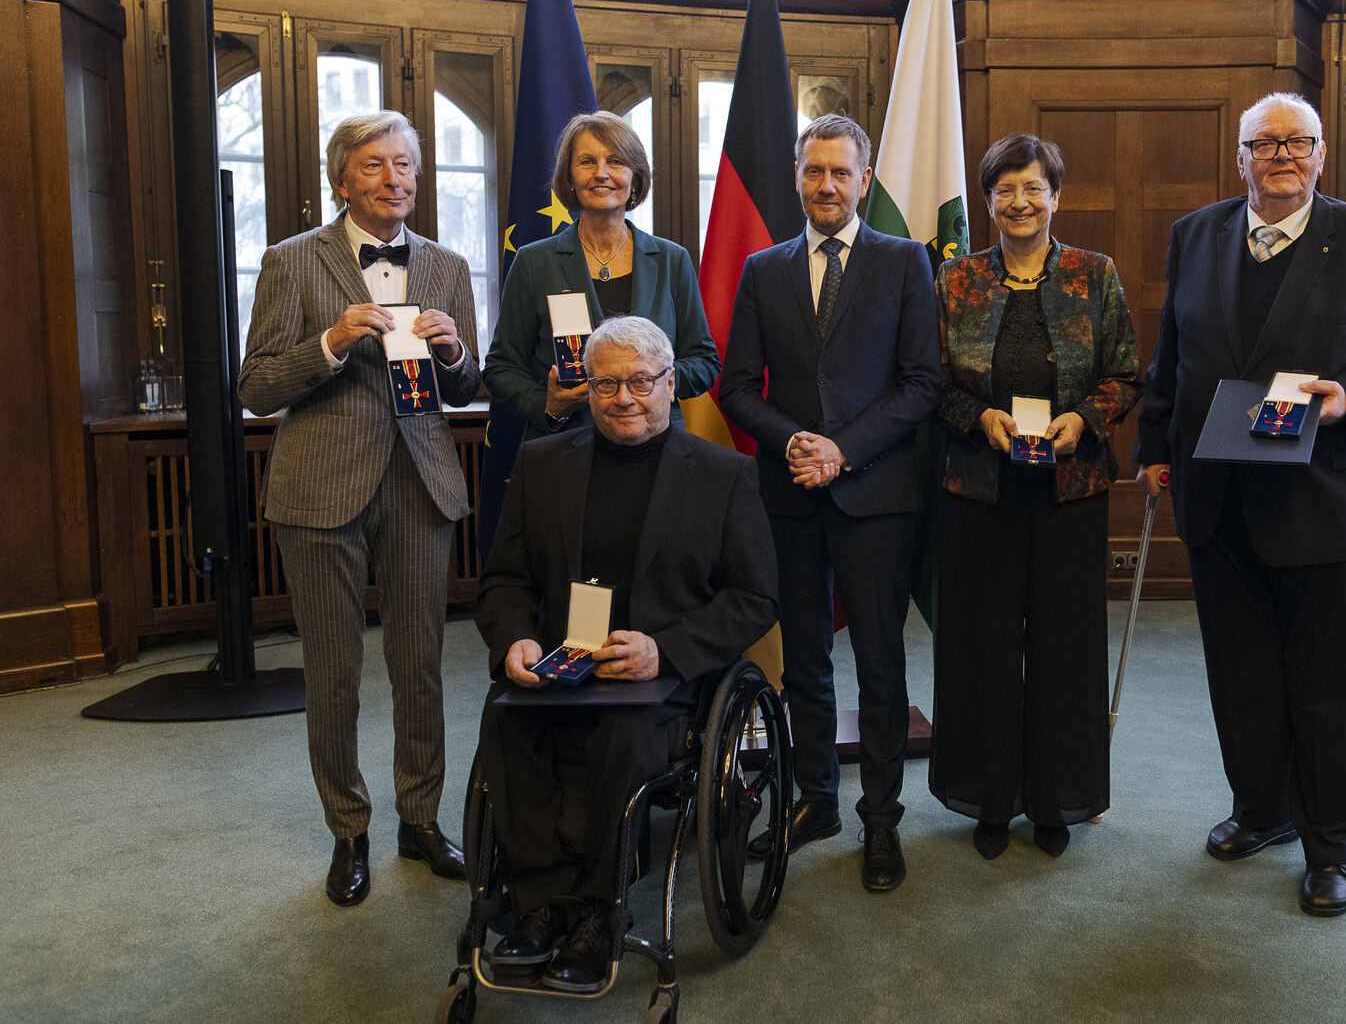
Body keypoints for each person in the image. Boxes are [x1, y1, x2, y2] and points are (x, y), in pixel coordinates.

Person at [1135, 92, 1346, 916]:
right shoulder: (1196, 235)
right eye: (1263, 143)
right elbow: (1174, 351)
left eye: (1296, 142)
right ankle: (1262, 808)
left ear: (1320, 155)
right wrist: (1156, 449)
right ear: (1240, 158)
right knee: (1242, 675)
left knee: (1328, 686)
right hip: (1220, 498)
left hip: (1328, 502)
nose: (1281, 155)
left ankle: (1331, 844)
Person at [474, 316, 778, 993]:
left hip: (661, 684)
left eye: (641, 380)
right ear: (586, 386)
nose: (624, 397)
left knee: (621, 733)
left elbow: (755, 597)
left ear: (670, 383)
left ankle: (597, 914)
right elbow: (504, 580)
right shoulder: (542, 464)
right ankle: (539, 904)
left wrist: (663, 650)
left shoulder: (724, 475)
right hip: (563, 663)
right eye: (606, 381)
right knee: (508, 720)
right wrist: (514, 637)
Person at [239, 110, 480, 907]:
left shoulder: (447, 265)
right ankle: (348, 830)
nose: (396, 179)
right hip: (320, 491)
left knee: (419, 665)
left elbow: (465, 385)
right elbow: (256, 389)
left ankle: (421, 818)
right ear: (341, 179)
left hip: (420, 483)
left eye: (406, 165)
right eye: (376, 165)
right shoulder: (290, 262)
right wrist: (331, 342)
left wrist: (453, 354)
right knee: (334, 673)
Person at [720, 113, 939, 893]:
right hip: (789, 495)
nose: (825, 185)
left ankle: (882, 819)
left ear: (865, 179)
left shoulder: (906, 261)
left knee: (881, 662)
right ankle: (818, 799)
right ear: (797, 176)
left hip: (877, 493)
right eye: (814, 171)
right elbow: (739, 386)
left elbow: (922, 382)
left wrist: (843, 449)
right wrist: (797, 444)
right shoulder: (762, 269)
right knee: (805, 660)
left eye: (840, 172)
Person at [929, 134, 1141, 859]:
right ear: (987, 202)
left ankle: (1054, 799)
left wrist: (1083, 421)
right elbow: (933, 384)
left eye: (1033, 187)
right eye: (1004, 190)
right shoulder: (956, 281)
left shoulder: (1094, 275)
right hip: (979, 492)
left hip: (1068, 491)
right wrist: (977, 418)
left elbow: (1126, 373)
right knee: (982, 645)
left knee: (1063, 647)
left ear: (1056, 194)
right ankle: (990, 797)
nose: (1020, 202)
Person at [484, 110, 719, 442]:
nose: (601, 174)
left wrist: (649, 383)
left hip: (657, 443)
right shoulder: (533, 262)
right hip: (566, 443)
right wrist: (549, 406)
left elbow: (705, 361)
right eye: (586, 162)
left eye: (616, 162)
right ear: (569, 178)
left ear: (635, 179)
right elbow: (501, 367)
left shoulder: (672, 260)